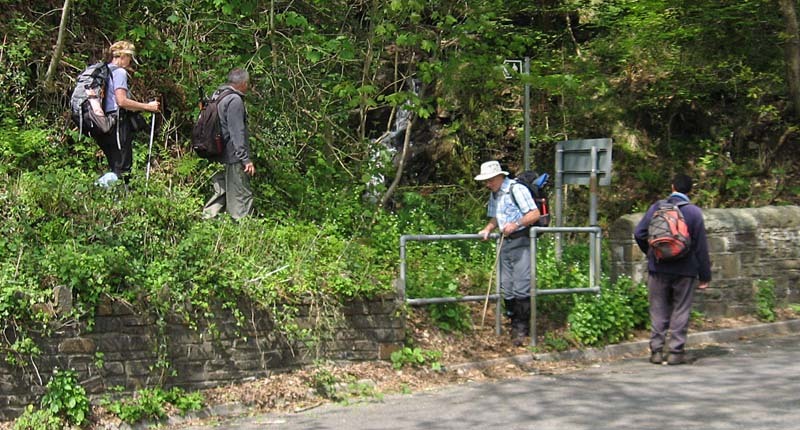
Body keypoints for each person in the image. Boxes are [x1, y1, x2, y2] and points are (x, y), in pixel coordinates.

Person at [634, 173, 712, 365]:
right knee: (681, 309)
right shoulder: (694, 213)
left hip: (658, 267)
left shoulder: (657, 207)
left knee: (658, 309)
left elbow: (639, 233)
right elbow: (701, 247)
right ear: (690, 190)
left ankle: (657, 352)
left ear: (672, 187)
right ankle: (676, 352)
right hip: (685, 269)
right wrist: (705, 275)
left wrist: (651, 253)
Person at [476, 160, 541, 346]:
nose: (487, 184)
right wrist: (488, 228)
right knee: (506, 286)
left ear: (499, 176)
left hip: (520, 240)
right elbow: (496, 216)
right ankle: (513, 321)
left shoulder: (516, 189)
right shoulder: (494, 194)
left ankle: (521, 329)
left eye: (489, 180)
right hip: (504, 242)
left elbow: (534, 214)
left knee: (521, 284)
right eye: (485, 181)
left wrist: (516, 224)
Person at [96, 40, 160, 185]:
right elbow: (122, 101)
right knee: (123, 167)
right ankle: (108, 195)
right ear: (123, 56)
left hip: (104, 123)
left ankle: (107, 200)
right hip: (117, 122)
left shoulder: (106, 70)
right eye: (129, 57)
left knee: (114, 165)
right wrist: (148, 107)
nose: (130, 61)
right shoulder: (119, 72)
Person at [202, 68, 255, 220]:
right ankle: (242, 228)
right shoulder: (235, 100)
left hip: (215, 151)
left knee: (220, 191)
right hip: (232, 155)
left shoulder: (217, 95)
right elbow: (237, 132)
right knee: (240, 193)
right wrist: (245, 159)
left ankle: (207, 222)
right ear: (243, 83)